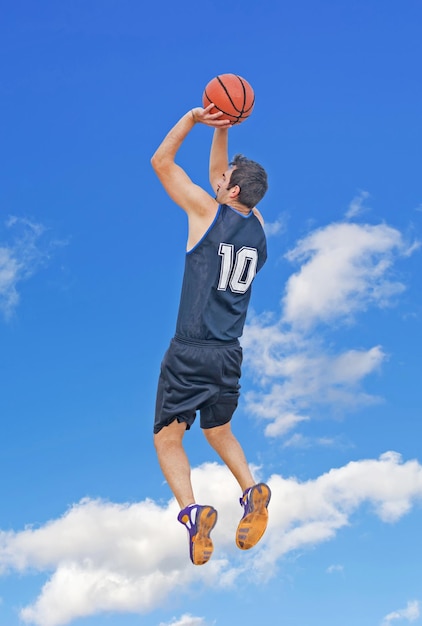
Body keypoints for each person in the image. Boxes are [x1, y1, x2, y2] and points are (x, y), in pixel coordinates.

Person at [151, 103, 271, 566]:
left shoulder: (205, 212)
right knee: (218, 428)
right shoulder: (257, 228)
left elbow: (161, 163)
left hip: (190, 350)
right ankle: (251, 489)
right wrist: (223, 131)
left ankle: (192, 511)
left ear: (231, 189)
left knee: (167, 437)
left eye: (223, 180)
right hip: (228, 353)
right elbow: (223, 173)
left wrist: (192, 120)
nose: (215, 180)